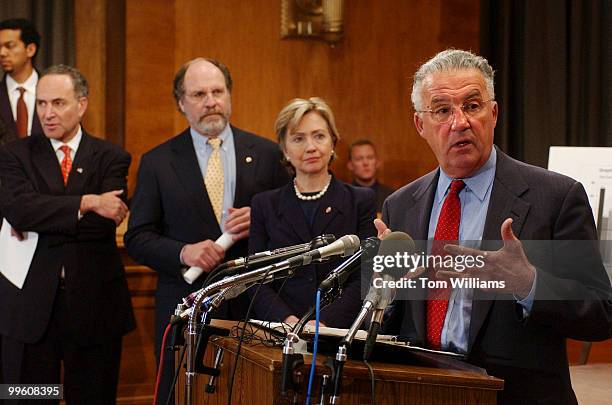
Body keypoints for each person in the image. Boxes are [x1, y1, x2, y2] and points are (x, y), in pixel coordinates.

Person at [376, 49, 612, 404]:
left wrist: (528, 283)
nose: (460, 122)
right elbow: (385, 320)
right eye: (442, 110)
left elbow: (600, 314)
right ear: (420, 125)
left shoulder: (556, 197)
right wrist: (385, 294)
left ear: (494, 113)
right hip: (423, 392)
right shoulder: (399, 207)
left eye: (472, 106)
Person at [124, 58, 289, 403]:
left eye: (218, 91)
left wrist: (260, 219)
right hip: (187, 307)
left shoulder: (267, 154)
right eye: (199, 94)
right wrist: (183, 252)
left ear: (229, 96)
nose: (211, 101)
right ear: (181, 104)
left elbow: (291, 229)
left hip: (254, 307)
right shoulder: (157, 162)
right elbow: (137, 237)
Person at [0, 65, 135, 403]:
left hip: (94, 305)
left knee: (91, 397)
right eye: (42, 103)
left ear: (82, 105)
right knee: (29, 396)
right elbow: (18, 210)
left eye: (58, 103)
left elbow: (103, 224)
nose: (47, 113)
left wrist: (41, 217)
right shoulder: (15, 154)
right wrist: (87, 202)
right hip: (30, 308)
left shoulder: (112, 156)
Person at [249, 97, 376, 328]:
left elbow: (365, 275)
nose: (310, 147)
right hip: (279, 333)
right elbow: (256, 279)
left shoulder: (361, 200)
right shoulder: (264, 205)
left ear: (333, 143)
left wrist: (324, 323)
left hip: (339, 331)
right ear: (285, 149)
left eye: (319, 136)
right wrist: (287, 321)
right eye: (298, 138)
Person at [0, 18, 43, 145]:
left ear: (30, 49)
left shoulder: (55, 90)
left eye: (9, 46)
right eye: (0, 47)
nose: (2, 53)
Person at [347, 139, 394, 212]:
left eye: (370, 157)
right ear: (350, 165)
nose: (365, 163)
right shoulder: (343, 196)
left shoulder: (391, 196)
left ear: (377, 162)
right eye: (359, 159)